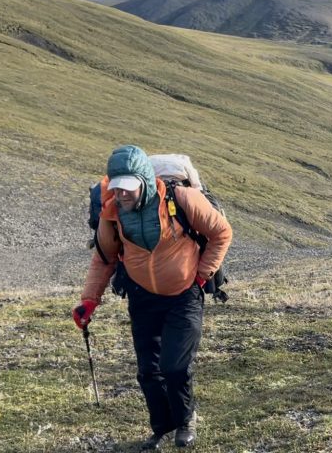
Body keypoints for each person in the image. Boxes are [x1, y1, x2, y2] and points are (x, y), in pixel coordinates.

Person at [72, 145, 232, 449]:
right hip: (142, 296)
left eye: (128, 189)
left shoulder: (181, 199)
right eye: (116, 189)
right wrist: (89, 300)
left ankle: (185, 421)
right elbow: (105, 258)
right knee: (148, 371)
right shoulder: (112, 213)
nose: (122, 195)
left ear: (145, 181)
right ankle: (162, 427)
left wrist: (202, 276)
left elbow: (221, 232)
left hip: (184, 294)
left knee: (174, 366)